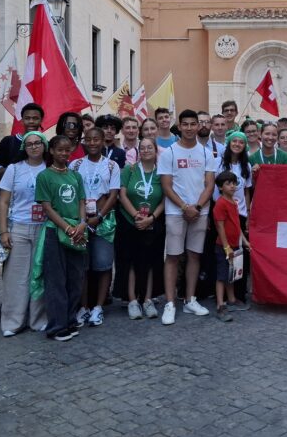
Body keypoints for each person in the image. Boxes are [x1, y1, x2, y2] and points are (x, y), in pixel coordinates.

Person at [157, 109, 217, 324]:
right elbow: (166, 185)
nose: (190, 128)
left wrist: (198, 206)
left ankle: (190, 300)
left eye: (194, 124)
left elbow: (209, 184)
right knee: (173, 257)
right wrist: (184, 206)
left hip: (200, 211)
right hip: (175, 211)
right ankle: (170, 302)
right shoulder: (169, 153)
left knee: (194, 255)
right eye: (186, 124)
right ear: (179, 126)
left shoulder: (206, 153)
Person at [0, 131, 49, 336]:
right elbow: (4, 201)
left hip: (44, 228)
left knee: (40, 275)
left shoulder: (50, 169)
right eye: (29, 144)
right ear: (24, 148)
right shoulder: (14, 169)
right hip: (18, 226)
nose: (34, 147)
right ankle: (12, 322)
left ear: (44, 146)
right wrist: (3, 231)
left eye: (37, 143)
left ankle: (38, 319)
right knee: (15, 277)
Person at [35, 135, 87, 342]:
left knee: (76, 278)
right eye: (60, 150)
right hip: (55, 232)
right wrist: (67, 227)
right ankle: (56, 325)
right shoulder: (44, 176)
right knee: (56, 280)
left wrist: (82, 223)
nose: (64, 154)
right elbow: (47, 207)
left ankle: (70, 320)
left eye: (67, 150)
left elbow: (82, 200)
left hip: (77, 231)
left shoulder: (75, 175)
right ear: (52, 151)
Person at [69, 127, 121, 327]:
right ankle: (83, 306)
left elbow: (114, 194)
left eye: (96, 139)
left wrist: (99, 216)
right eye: (88, 139)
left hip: (104, 220)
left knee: (104, 264)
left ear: (103, 141)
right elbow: (73, 191)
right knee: (82, 265)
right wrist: (83, 218)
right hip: (81, 220)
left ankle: (98, 307)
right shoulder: (76, 164)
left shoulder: (111, 166)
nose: (92, 143)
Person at [118, 137, 165, 320]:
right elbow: (122, 194)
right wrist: (136, 215)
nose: (145, 150)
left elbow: (164, 198)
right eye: (142, 148)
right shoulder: (130, 170)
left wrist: (151, 218)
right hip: (130, 222)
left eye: (149, 147)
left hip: (153, 223)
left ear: (155, 151)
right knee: (130, 261)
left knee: (151, 261)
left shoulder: (161, 173)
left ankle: (147, 299)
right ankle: (132, 300)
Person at [212, 170, 252, 322]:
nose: (232, 186)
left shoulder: (234, 202)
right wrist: (226, 247)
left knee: (231, 275)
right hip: (224, 247)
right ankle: (220, 305)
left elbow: (236, 225)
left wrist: (244, 241)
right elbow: (220, 227)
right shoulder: (220, 204)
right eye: (228, 184)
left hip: (235, 246)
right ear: (221, 187)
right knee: (222, 276)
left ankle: (232, 299)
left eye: (234, 183)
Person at [0, 102, 44, 168]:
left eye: (35, 118)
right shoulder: (7, 142)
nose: (31, 121)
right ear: (22, 121)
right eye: (27, 118)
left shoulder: (45, 144)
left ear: (41, 120)